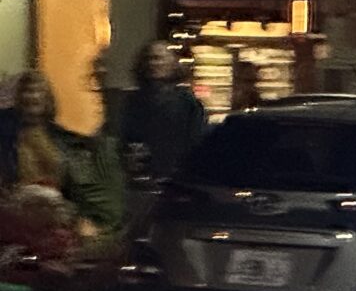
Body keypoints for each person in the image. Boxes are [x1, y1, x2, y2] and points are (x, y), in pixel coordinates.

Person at [0, 72, 123, 237]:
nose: (33, 97)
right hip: (16, 209)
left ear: (47, 98)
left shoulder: (61, 138)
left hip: (57, 210)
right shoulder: (6, 132)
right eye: (28, 91)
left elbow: (75, 184)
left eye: (39, 91)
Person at [120, 40, 207, 183]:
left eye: (159, 58)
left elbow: (195, 142)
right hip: (141, 179)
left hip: (177, 179)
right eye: (150, 58)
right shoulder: (133, 101)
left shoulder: (187, 102)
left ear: (173, 64)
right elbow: (126, 137)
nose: (154, 63)